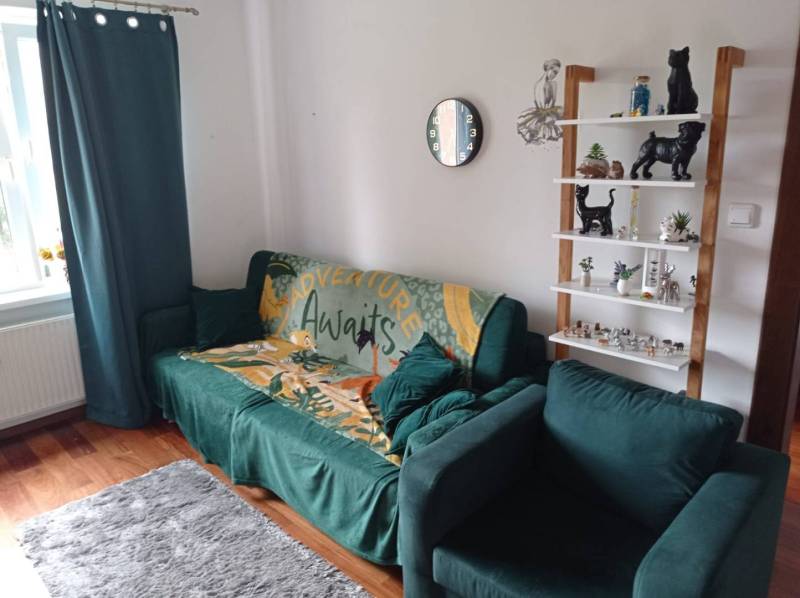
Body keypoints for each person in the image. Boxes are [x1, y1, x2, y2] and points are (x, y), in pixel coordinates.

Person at [517, 58, 563, 146]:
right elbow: (541, 103)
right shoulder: (539, 84)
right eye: (553, 70)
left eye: (556, 72)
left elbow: (553, 102)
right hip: (541, 112)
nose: (554, 74)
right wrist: (547, 113)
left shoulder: (554, 84)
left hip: (550, 110)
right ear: (547, 68)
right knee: (542, 125)